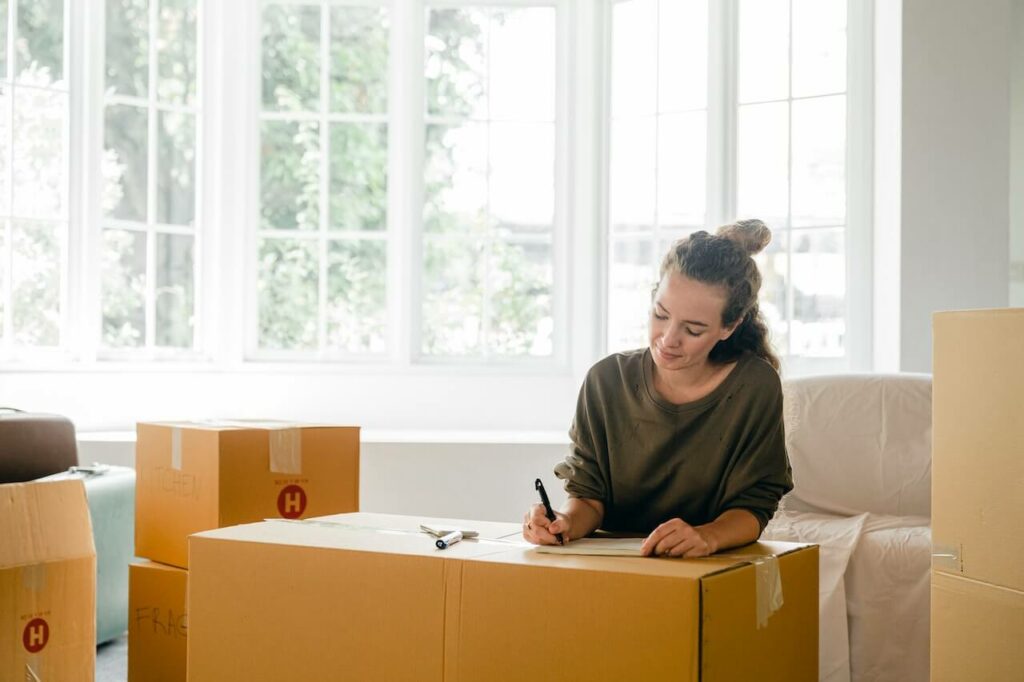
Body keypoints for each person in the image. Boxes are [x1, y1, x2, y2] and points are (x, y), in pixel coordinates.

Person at [523, 219, 793, 558]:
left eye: (693, 330)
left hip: (706, 565)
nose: (668, 340)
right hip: (611, 566)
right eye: (660, 314)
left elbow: (755, 505)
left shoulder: (755, 386)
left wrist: (707, 536)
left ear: (730, 326)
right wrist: (561, 522)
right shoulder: (606, 380)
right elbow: (588, 497)